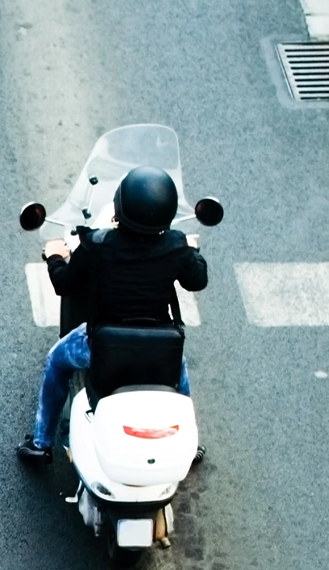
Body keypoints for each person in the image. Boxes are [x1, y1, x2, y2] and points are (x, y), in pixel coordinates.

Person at [17, 165, 208, 462]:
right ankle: (188, 444)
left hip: (102, 344)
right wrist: (192, 251)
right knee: (179, 370)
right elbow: (197, 280)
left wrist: (54, 256)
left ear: (120, 207)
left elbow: (64, 284)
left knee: (56, 360)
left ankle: (41, 444)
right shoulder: (176, 246)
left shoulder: (97, 245)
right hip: (160, 346)